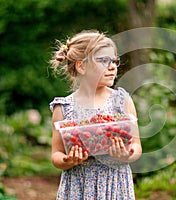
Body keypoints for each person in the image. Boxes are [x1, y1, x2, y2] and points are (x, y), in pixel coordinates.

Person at [49, 30, 142, 199]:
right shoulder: (63, 107)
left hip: (116, 185)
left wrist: (126, 154)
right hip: (79, 186)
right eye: (103, 61)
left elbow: (136, 146)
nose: (113, 66)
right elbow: (56, 154)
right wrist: (68, 160)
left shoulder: (122, 101)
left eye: (114, 61)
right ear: (81, 66)